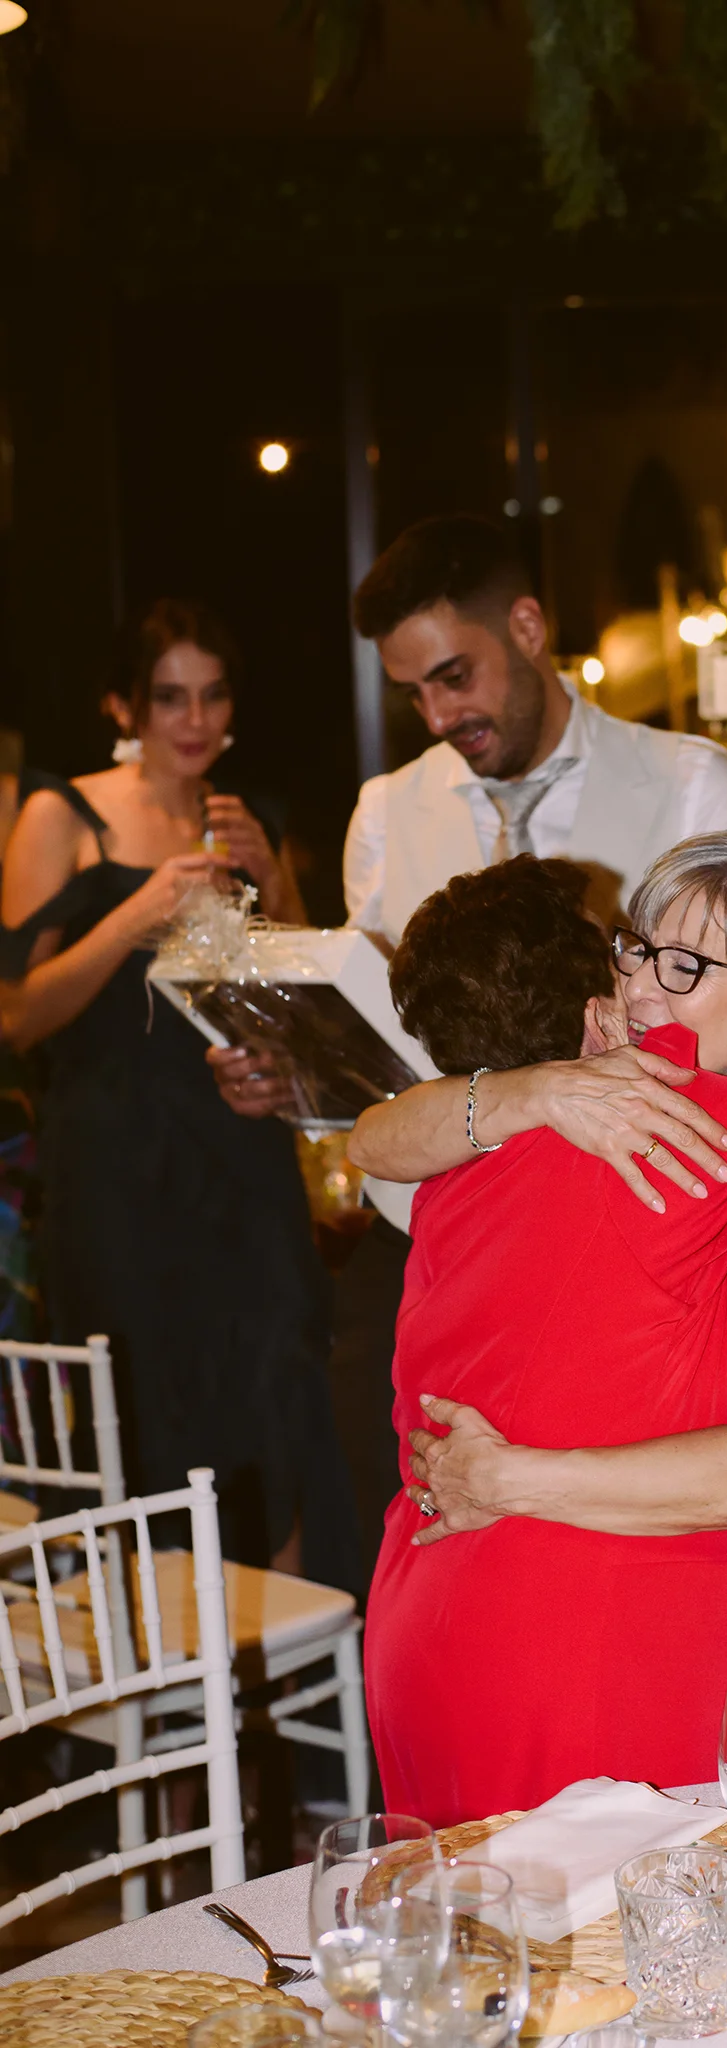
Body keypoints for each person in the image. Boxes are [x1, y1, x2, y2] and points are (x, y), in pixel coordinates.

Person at [355, 822, 727, 1820]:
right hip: (582, 1643)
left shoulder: (502, 1127)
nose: (639, 986)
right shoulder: (671, 1111)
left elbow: (373, 1140)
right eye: (634, 950)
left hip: (426, 1612)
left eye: (683, 966)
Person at [213, 514, 727, 1581]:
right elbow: (383, 1042)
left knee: (580, 1563)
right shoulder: (386, 810)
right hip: (430, 1239)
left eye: (454, 676)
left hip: (620, 1245)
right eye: (412, 692)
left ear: (527, 627)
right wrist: (300, 1072)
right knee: (413, 1549)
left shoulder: (688, 780)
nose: (438, 715)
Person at [0, 600, 360, 1586]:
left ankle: (297, 1644)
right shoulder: (61, 813)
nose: (194, 719)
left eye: (212, 694)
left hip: (242, 1147)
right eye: (169, 697)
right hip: (114, 1160)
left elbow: (300, 989)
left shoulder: (245, 818)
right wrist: (136, 914)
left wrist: (273, 879)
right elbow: (16, 1016)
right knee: (147, 1410)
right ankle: (164, 1654)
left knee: (283, 1378)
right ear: (123, 705)